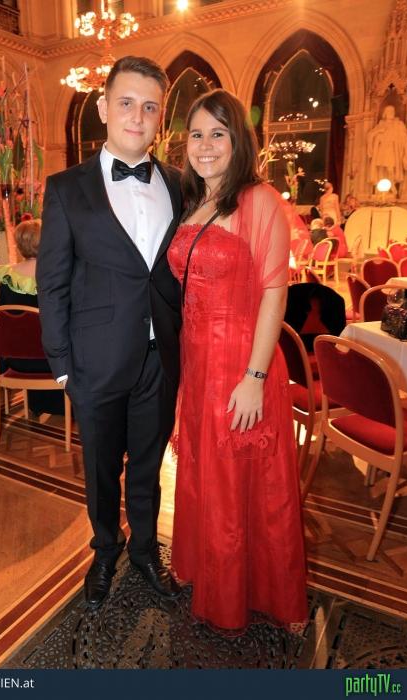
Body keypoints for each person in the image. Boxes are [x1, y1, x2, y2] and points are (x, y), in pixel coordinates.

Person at [37, 56, 183, 609]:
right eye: (126, 103)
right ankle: (105, 550)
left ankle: (144, 549)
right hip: (94, 360)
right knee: (101, 469)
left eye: (149, 107)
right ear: (102, 108)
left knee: (148, 463)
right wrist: (62, 365)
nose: (137, 117)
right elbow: (52, 283)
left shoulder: (179, 184)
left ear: (160, 117)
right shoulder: (65, 188)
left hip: (160, 358)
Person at [167, 89, 307, 632]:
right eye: (196, 135)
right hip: (197, 361)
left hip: (241, 362)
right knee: (205, 474)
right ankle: (209, 571)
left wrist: (254, 376)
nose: (205, 146)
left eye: (218, 134)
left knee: (242, 482)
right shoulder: (193, 201)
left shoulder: (259, 199)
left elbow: (275, 293)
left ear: (238, 141)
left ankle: (247, 592)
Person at [0, 219, 64, 416]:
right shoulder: (58, 277)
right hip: (54, 361)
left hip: (17, 361)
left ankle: (36, 404)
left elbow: (2, 323)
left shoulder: (7, 278)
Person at [367, 105, 407, 187]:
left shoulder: (399, 124)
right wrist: (378, 132)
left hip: (392, 149)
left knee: (390, 168)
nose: (391, 113)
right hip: (382, 149)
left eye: (392, 111)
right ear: (385, 113)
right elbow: (371, 134)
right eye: (389, 111)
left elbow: (404, 138)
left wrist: (406, 150)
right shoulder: (381, 124)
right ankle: (380, 189)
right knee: (381, 168)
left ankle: (391, 187)